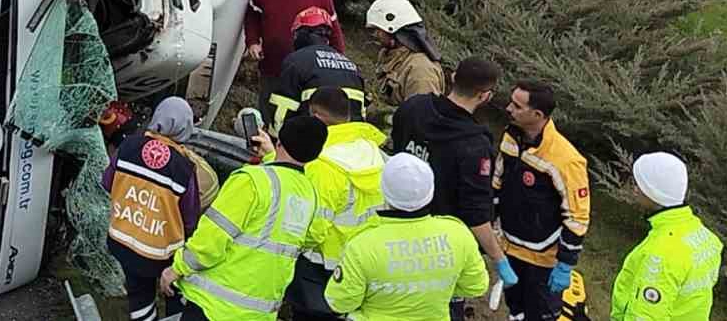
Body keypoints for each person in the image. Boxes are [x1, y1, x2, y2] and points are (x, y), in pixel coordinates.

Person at [160, 115, 329, 321]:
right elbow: (313, 236)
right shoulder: (310, 193)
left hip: (213, 306)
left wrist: (176, 269)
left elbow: (211, 239)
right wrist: (270, 157)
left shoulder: (251, 181)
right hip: (260, 312)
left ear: (279, 142)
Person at [389, 56, 513, 321]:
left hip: (395, 227)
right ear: (485, 96)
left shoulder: (413, 108)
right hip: (440, 249)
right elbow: (476, 213)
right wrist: (498, 256)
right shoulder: (474, 145)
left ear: (453, 76)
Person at [325, 153, 491, 320]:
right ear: (431, 191)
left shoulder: (362, 244)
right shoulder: (458, 234)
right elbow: (476, 286)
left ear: (383, 190)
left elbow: (339, 302)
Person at [104, 97, 221, 321]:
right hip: (162, 253)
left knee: (139, 294)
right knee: (176, 289)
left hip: (122, 240)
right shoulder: (185, 167)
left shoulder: (127, 146)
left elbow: (108, 182)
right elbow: (190, 217)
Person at [284, 86, 388, 321]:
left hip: (318, 267)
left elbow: (313, 227)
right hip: (363, 263)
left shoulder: (324, 164)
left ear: (316, 117)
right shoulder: (373, 153)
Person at [494, 80, 591, 321]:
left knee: (540, 315)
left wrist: (565, 265)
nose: (508, 108)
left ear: (537, 114)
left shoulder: (566, 160)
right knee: (516, 309)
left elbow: (577, 217)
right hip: (509, 246)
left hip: (542, 258)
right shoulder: (511, 136)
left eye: (517, 106)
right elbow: (497, 181)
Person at [611, 152, 723, 320]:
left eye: (638, 184)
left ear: (654, 193)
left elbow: (645, 315)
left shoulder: (660, 255)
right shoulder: (705, 237)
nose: (634, 189)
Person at [244, 0, 341, 114]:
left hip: (306, 71)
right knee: (268, 108)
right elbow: (252, 16)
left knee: (299, 111)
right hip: (271, 66)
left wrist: (338, 63)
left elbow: (334, 31)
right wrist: (252, 41)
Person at [267, 6, 367, 133]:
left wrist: (275, 141)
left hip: (312, 142)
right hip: (349, 142)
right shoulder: (351, 66)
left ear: (301, 34)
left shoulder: (296, 61)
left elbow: (282, 108)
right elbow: (361, 114)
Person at [365, 0, 447, 111]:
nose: (375, 35)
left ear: (393, 28)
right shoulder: (391, 58)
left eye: (378, 30)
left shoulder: (420, 70)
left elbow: (421, 119)